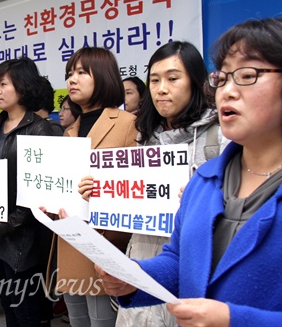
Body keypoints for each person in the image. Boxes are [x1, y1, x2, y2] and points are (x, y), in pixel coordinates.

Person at [97, 17, 282, 327]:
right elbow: (181, 262)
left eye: (247, 75)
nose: (227, 91)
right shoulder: (205, 180)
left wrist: (235, 321)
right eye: (222, 78)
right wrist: (136, 278)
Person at [84, 41, 227, 327]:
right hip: (144, 257)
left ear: (196, 82)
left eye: (173, 79)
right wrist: (99, 193)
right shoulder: (144, 135)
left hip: (193, 265)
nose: (162, 88)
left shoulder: (220, 136)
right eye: (155, 80)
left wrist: (204, 197)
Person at [56, 46, 139, 327]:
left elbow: (139, 186)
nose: (72, 79)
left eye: (81, 72)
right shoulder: (69, 130)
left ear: (102, 75)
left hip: (106, 242)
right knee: (77, 320)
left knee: (103, 321)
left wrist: (106, 189)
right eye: (69, 73)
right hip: (68, 241)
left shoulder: (128, 123)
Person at [0, 56, 54, 326]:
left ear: (22, 86)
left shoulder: (39, 129)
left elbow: (39, 189)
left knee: (26, 312)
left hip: (21, 235)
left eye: (3, 84)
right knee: (9, 308)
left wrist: (6, 224)